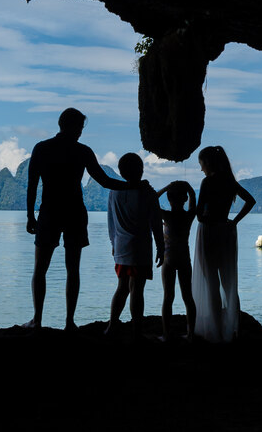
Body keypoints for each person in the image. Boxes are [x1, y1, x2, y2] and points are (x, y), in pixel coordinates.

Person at [24, 108, 131, 331]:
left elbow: (32, 184)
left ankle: (37, 320)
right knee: (73, 269)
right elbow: (104, 180)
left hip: (49, 211)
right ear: (73, 127)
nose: (81, 132)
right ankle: (69, 322)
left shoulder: (42, 148)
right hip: (74, 212)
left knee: (40, 269)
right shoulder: (82, 151)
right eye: (80, 128)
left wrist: (30, 215)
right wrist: (132, 185)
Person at [191, 146, 256, 342]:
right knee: (229, 284)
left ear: (207, 163)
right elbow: (250, 201)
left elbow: (200, 214)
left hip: (209, 232)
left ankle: (218, 332)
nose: (201, 169)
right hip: (227, 231)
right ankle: (235, 330)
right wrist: (234, 222)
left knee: (212, 283)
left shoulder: (207, 182)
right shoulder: (230, 182)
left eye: (201, 164)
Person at [105, 153, 164, 338]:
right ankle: (137, 330)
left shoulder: (114, 191)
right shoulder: (148, 192)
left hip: (121, 247)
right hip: (140, 248)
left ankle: (112, 324)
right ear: (141, 169)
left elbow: (110, 222)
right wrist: (161, 247)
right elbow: (156, 223)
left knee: (122, 287)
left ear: (122, 171)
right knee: (137, 289)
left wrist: (113, 243)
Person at [157, 180, 197, 341]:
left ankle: (167, 334)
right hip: (184, 259)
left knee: (168, 297)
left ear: (169, 199)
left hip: (169, 259)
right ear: (185, 199)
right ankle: (191, 334)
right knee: (188, 297)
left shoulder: (167, 216)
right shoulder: (188, 216)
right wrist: (190, 189)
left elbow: (152, 200)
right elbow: (194, 202)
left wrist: (167, 185)